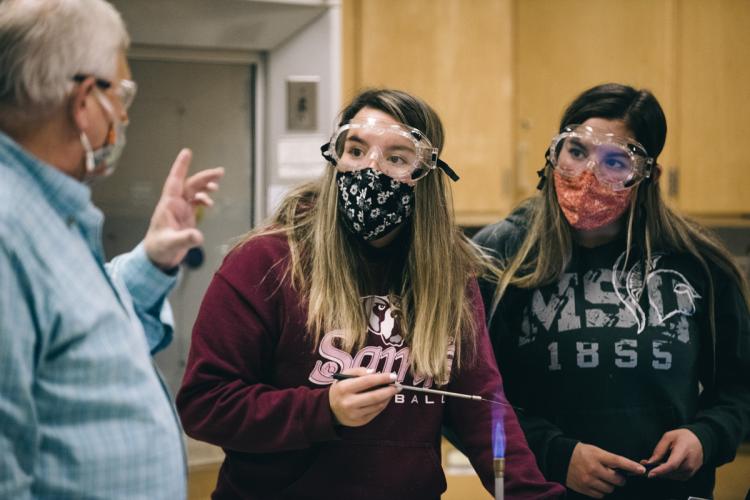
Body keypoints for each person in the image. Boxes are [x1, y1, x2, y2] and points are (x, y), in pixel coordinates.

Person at [176, 88, 565, 499]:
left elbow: (482, 408)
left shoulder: (448, 276)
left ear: (427, 175)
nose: (370, 169)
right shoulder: (266, 261)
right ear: (336, 155)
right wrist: (322, 411)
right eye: (356, 150)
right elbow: (205, 404)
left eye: (396, 158)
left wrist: (530, 493)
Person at [473, 82, 750, 499]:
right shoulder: (502, 256)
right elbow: (471, 400)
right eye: (577, 151)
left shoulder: (699, 264)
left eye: (616, 161)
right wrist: (554, 454)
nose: (588, 174)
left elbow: (740, 388)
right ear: (553, 155)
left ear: (648, 176)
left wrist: (706, 437)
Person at [0, 0, 224, 498]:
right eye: (121, 94)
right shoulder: (8, 228)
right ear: (83, 101)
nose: (123, 114)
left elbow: (75, 332)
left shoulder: (47, 213)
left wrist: (153, 257)